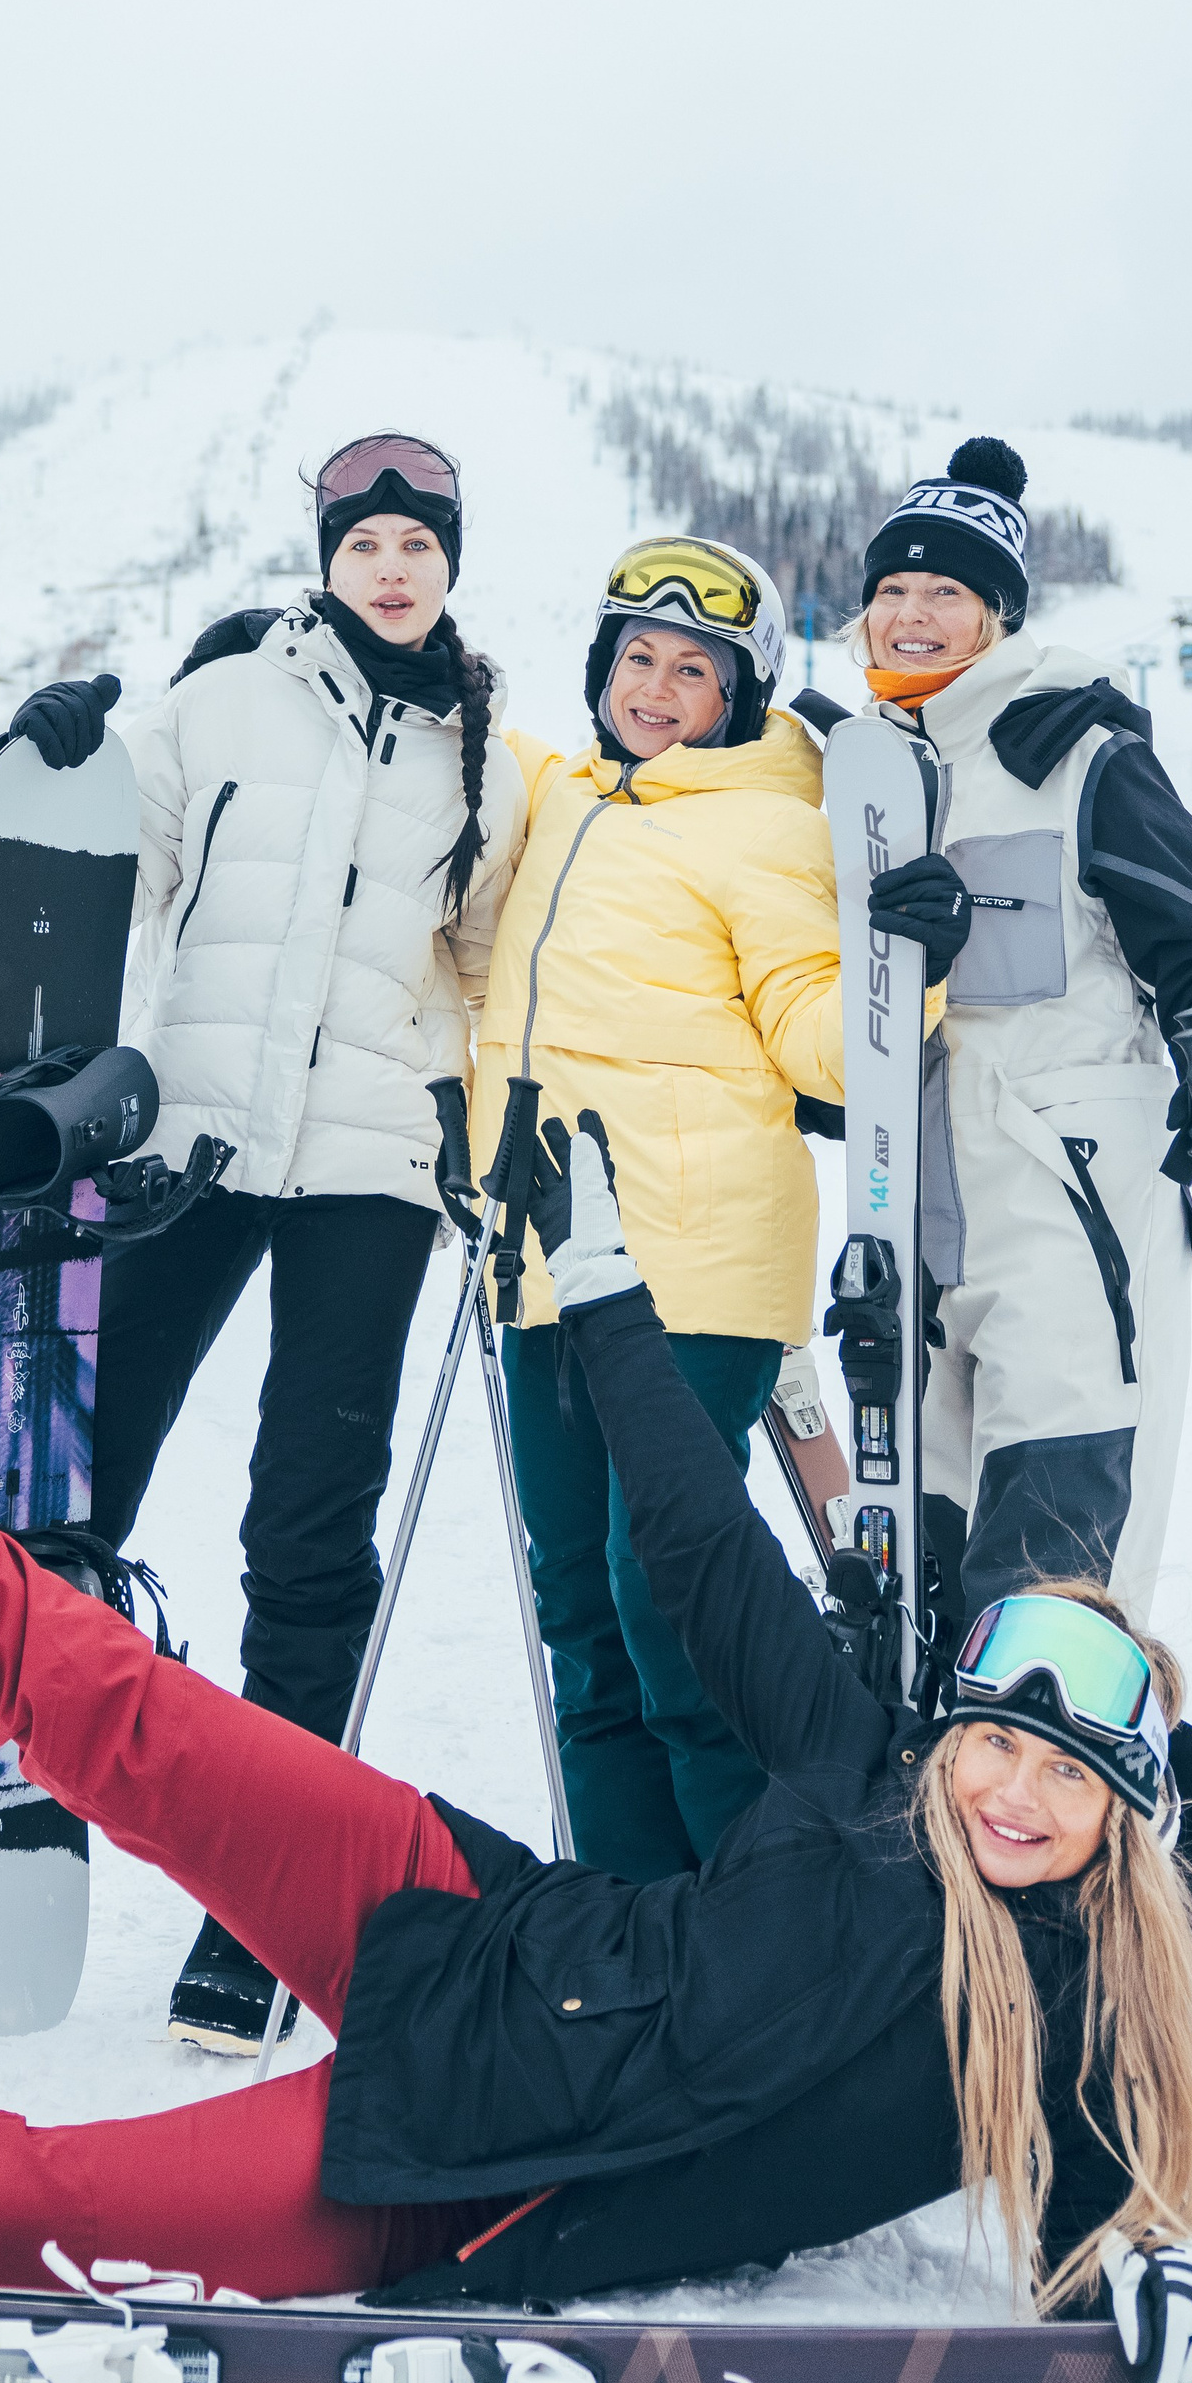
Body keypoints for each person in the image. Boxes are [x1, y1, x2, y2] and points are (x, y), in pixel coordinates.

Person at [0, 1144, 1192, 2383]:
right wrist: (608, 1276)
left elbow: (1108, 2215)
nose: (1015, 1792)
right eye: (1000, 1743)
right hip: (468, 1910)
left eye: (1067, 1772)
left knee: (5, 2206)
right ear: (953, 1728)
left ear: (1126, 1827)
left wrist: (1167, 2285)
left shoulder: (1058, 2026)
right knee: (93, 1689)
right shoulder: (864, 1773)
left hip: (456, 2173)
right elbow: (704, 1542)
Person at [0, 434, 524, 2055]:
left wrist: (489, 1127)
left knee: (309, 1539)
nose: (392, 567)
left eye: (418, 545)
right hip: (191, 1149)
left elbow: (487, 967)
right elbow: (109, 871)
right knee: (52, 1505)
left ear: (449, 564)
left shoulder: (487, 759)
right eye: (366, 541)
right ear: (328, 555)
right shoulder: (226, 699)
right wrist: (65, 755)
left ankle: (269, 1906)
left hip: (374, 1179)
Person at [817, 437, 1192, 1635]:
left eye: (946, 593)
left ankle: (1084, 1810)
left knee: (1052, 1589)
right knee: (911, 1597)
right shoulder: (846, 774)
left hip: (1068, 1212)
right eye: (891, 591)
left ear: (997, 616)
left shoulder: (1077, 754)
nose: (911, 616)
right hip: (910, 1234)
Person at [463, 536, 854, 1884]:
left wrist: (901, 972)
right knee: (578, 1605)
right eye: (639, 656)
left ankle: (756, 1925)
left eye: (696, 668)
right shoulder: (566, 793)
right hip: (542, 1252)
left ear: (737, 695)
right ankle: (633, 1927)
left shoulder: (770, 819)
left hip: (694, 1259)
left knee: (669, 1602)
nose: (659, 685)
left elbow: (815, 1025)